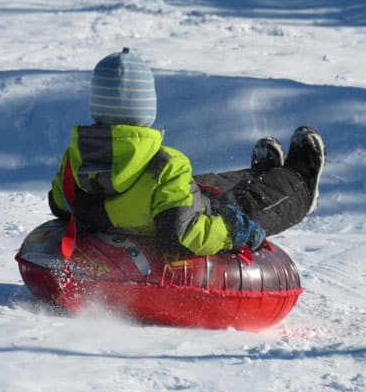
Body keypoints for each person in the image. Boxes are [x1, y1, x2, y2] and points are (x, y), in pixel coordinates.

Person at [48, 48, 326, 257]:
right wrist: (232, 229)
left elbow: (60, 204)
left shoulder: (75, 160)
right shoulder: (166, 165)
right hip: (187, 218)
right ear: (147, 109)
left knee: (205, 184)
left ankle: (262, 175)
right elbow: (183, 236)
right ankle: (299, 185)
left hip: (158, 209)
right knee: (247, 204)